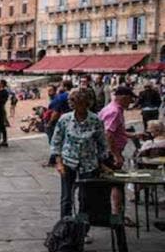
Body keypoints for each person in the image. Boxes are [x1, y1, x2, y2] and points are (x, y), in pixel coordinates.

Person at [50, 89, 108, 220]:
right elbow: (56, 141)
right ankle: (65, 227)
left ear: (85, 103)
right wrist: (59, 163)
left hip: (88, 165)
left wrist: (101, 162)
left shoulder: (95, 120)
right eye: (71, 100)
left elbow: (102, 144)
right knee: (66, 198)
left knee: (85, 198)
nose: (71, 104)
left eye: (74, 101)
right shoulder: (65, 119)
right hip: (68, 162)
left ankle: (82, 228)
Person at [99, 86, 141, 216]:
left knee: (115, 183)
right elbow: (108, 134)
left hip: (111, 151)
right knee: (117, 183)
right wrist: (116, 155)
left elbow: (117, 132)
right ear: (123, 97)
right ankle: (117, 215)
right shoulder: (114, 111)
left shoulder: (115, 109)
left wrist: (134, 135)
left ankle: (117, 214)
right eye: (129, 99)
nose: (130, 102)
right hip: (110, 153)